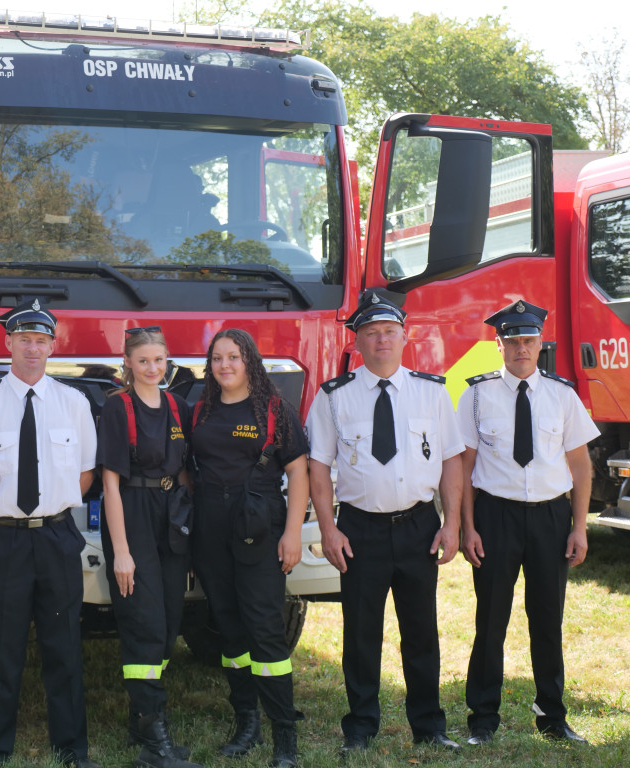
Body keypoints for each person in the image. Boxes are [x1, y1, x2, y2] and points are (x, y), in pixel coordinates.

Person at [305, 289, 463, 755]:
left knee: (421, 631)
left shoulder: (432, 392)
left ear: (405, 335)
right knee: (360, 634)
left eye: (389, 331)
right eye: (371, 333)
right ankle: (360, 726)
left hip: (418, 525)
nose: (381, 341)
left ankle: (430, 726)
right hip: (359, 529)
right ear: (357, 341)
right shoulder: (333, 397)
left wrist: (450, 522)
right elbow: (318, 466)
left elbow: (452, 460)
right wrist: (329, 528)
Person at [0, 299, 99, 768]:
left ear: (52, 345)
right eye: (24, 340)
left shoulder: (74, 404)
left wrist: (49, 509)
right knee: (4, 648)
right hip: (4, 540)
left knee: (64, 645)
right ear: (9, 343)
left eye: (41, 341)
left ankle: (72, 748)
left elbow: (84, 474)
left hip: (57, 537)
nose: (33, 349)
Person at [458, 299, 599, 746]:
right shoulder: (476, 395)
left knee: (547, 620)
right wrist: (467, 526)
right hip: (494, 516)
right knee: (491, 619)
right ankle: (483, 717)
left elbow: (580, 467)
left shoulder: (563, 395)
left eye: (530, 340)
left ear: (541, 343)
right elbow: (464, 467)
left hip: (550, 518)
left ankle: (552, 716)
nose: (522, 348)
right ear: (498, 344)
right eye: (513, 340)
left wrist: (579, 527)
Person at [190, 328, 310, 768]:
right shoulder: (199, 409)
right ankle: (246, 722)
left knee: (264, 630)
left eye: (234, 357)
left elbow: (298, 473)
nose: (225, 365)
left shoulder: (275, 410)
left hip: (261, 531)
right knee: (229, 628)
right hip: (211, 531)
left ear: (249, 362)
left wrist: (293, 533)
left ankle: (284, 739)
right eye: (217, 358)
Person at [97, 326, 201, 768]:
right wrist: (122, 551)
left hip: (171, 515)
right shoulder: (117, 407)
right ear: (128, 364)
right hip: (133, 515)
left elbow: (185, 472)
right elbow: (110, 485)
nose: (152, 369)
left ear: (167, 360)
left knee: (169, 620)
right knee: (144, 621)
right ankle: (155, 746)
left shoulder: (177, 405)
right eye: (143, 361)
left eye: (159, 360)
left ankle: (143, 719)